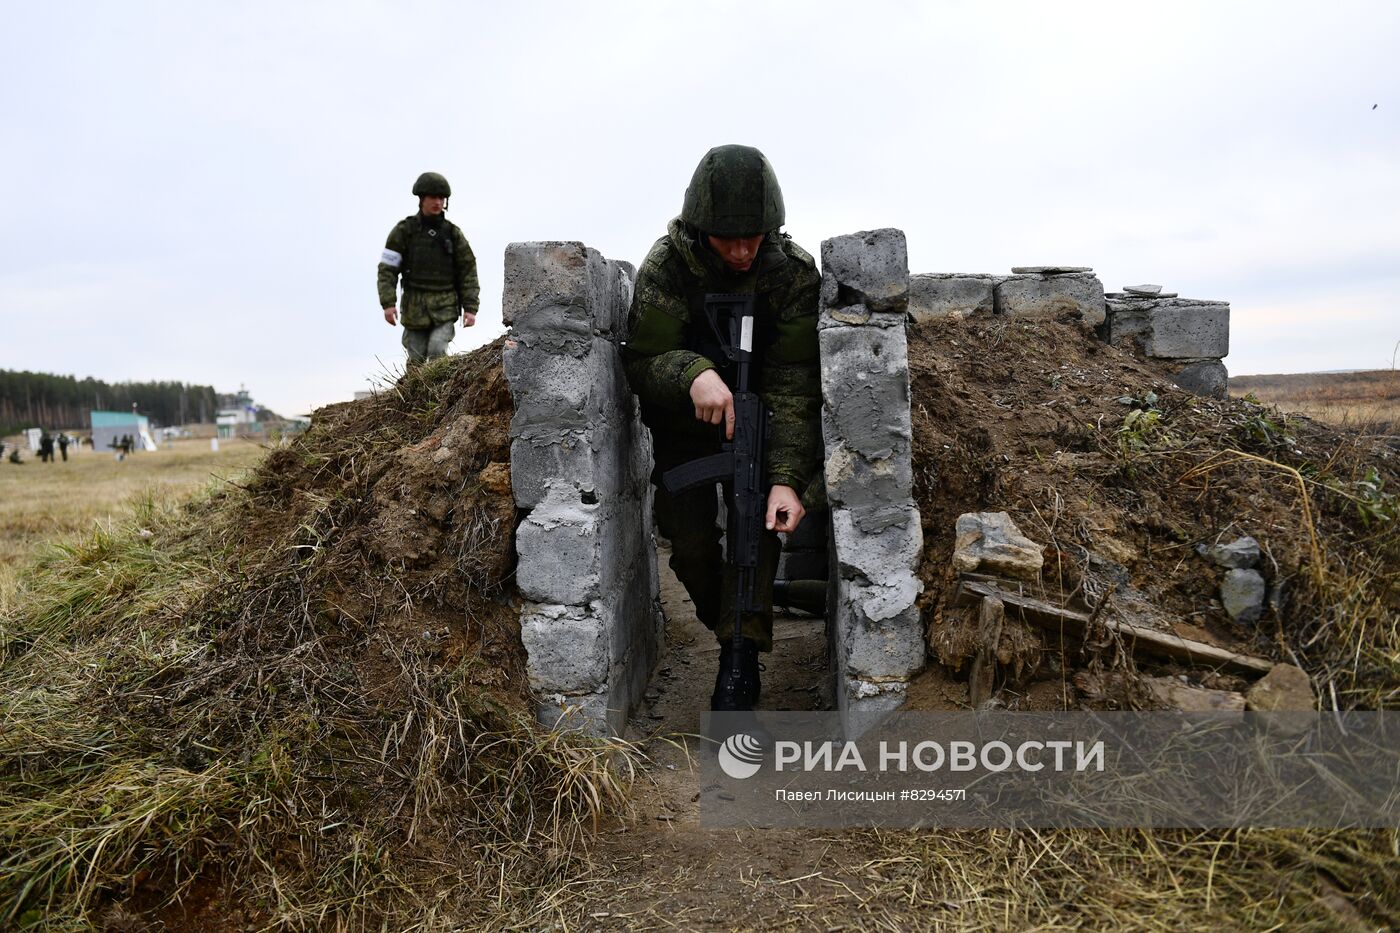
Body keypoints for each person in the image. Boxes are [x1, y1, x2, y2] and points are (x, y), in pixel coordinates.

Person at [623, 145, 822, 713]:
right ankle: (741, 622)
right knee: (687, 549)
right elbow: (640, 361)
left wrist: (786, 478)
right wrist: (693, 373)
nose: (740, 251)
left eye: (753, 237)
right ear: (699, 228)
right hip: (687, 430)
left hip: (760, 429)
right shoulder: (668, 266)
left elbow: (795, 384)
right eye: (726, 239)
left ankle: (740, 658)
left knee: (753, 539)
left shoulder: (790, 274)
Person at [377, 172, 480, 366]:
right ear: (422, 198)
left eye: (441, 198)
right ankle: (416, 396)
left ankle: (440, 396)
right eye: (433, 197)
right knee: (415, 359)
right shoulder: (404, 231)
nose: (438, 202)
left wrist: (471, 307)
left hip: (445, 305)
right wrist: (388, 303)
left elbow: (468, 271)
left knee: (437, 350)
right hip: (414, 307)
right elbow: (387, 270)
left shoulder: (453, 234)